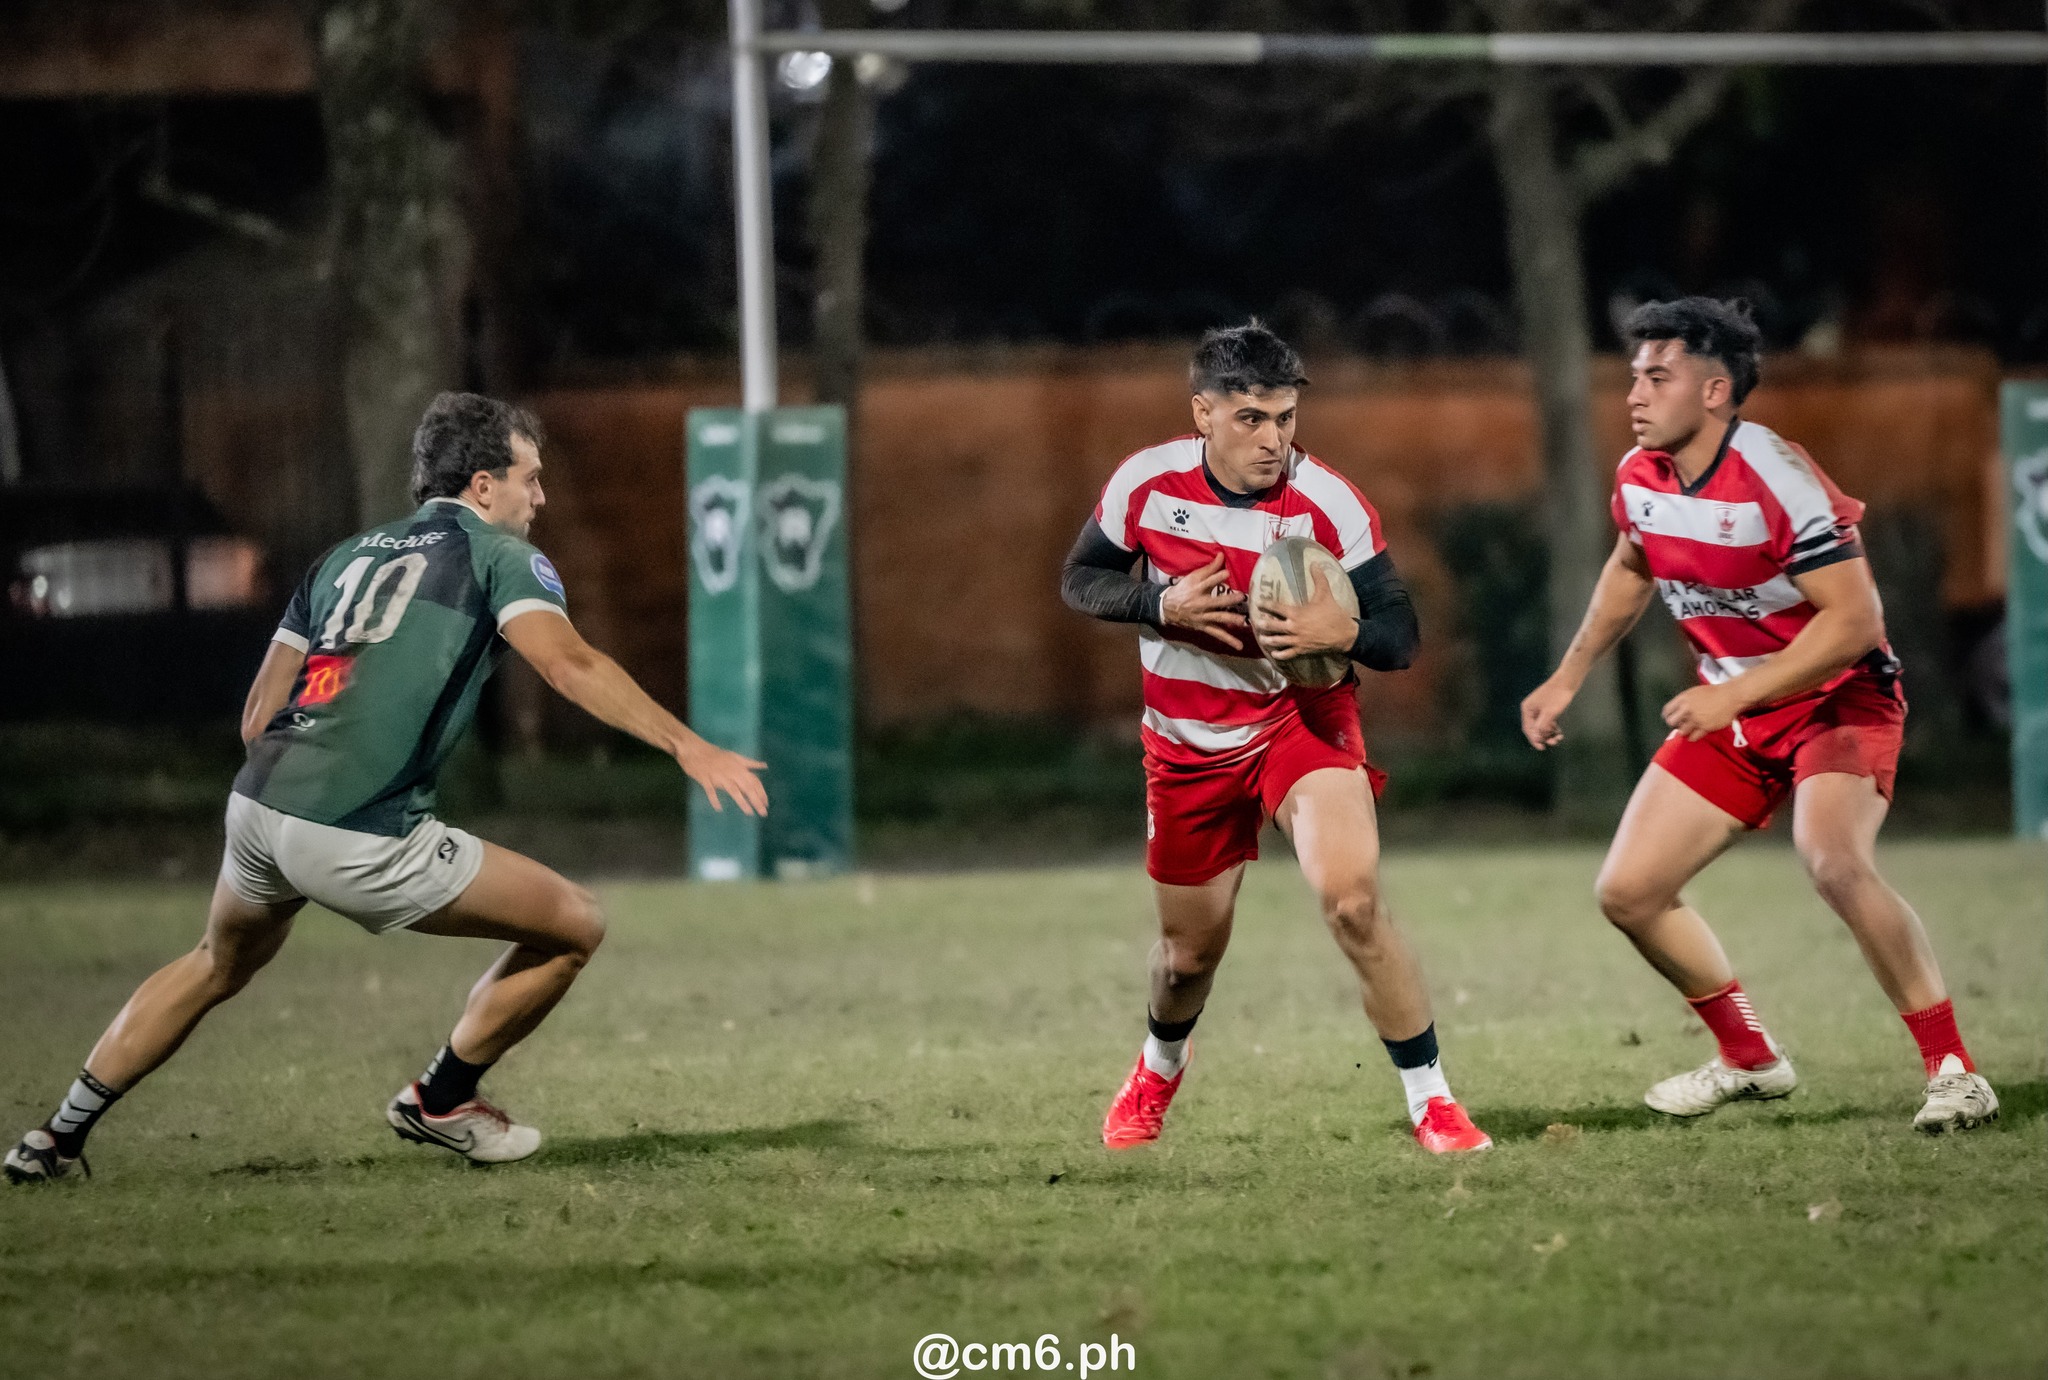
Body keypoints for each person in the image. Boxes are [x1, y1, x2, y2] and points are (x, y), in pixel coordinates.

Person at [5, 392, 767, 1182]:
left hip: (262, 804)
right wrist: (688, 746)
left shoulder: (343, 557)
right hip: (355, 827)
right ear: (481, 485)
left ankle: (54, 1139)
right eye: (530, 479)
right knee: (575, 923)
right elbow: (567, 662)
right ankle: (443, 1100)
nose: (539, 499)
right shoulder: (500, 557)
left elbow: (257, 713)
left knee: (214, 962)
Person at [1520, 297, 1997, 1134]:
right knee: (1631, 891)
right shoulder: (1641, 473)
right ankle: (1748, 1058)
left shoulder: (1776, 476)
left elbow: (1854, 621)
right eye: (1633, 375)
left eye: (1656, 377)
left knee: (1834, 861)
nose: (1634, 394)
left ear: (1714, 392)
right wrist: (1569, 677)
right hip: (1736, 706)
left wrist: (1734, 693)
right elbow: (1633, 566)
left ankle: (1954, 1071)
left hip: (1835, 695)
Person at [1062, 321, 1492, 1155]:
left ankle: (1433, 1103)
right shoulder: (1146, 486)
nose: (1274, 439)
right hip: (1185, 741)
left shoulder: (1328, 501)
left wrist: (1348, 624)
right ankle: (1158, 1066)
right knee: (1189, 956)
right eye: (1252, 418)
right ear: (1203, 413)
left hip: (1300, 720)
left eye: (1286, 418)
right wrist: (1161, 605)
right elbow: (1080, 578)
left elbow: (1400, 634)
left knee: (1355, 903)